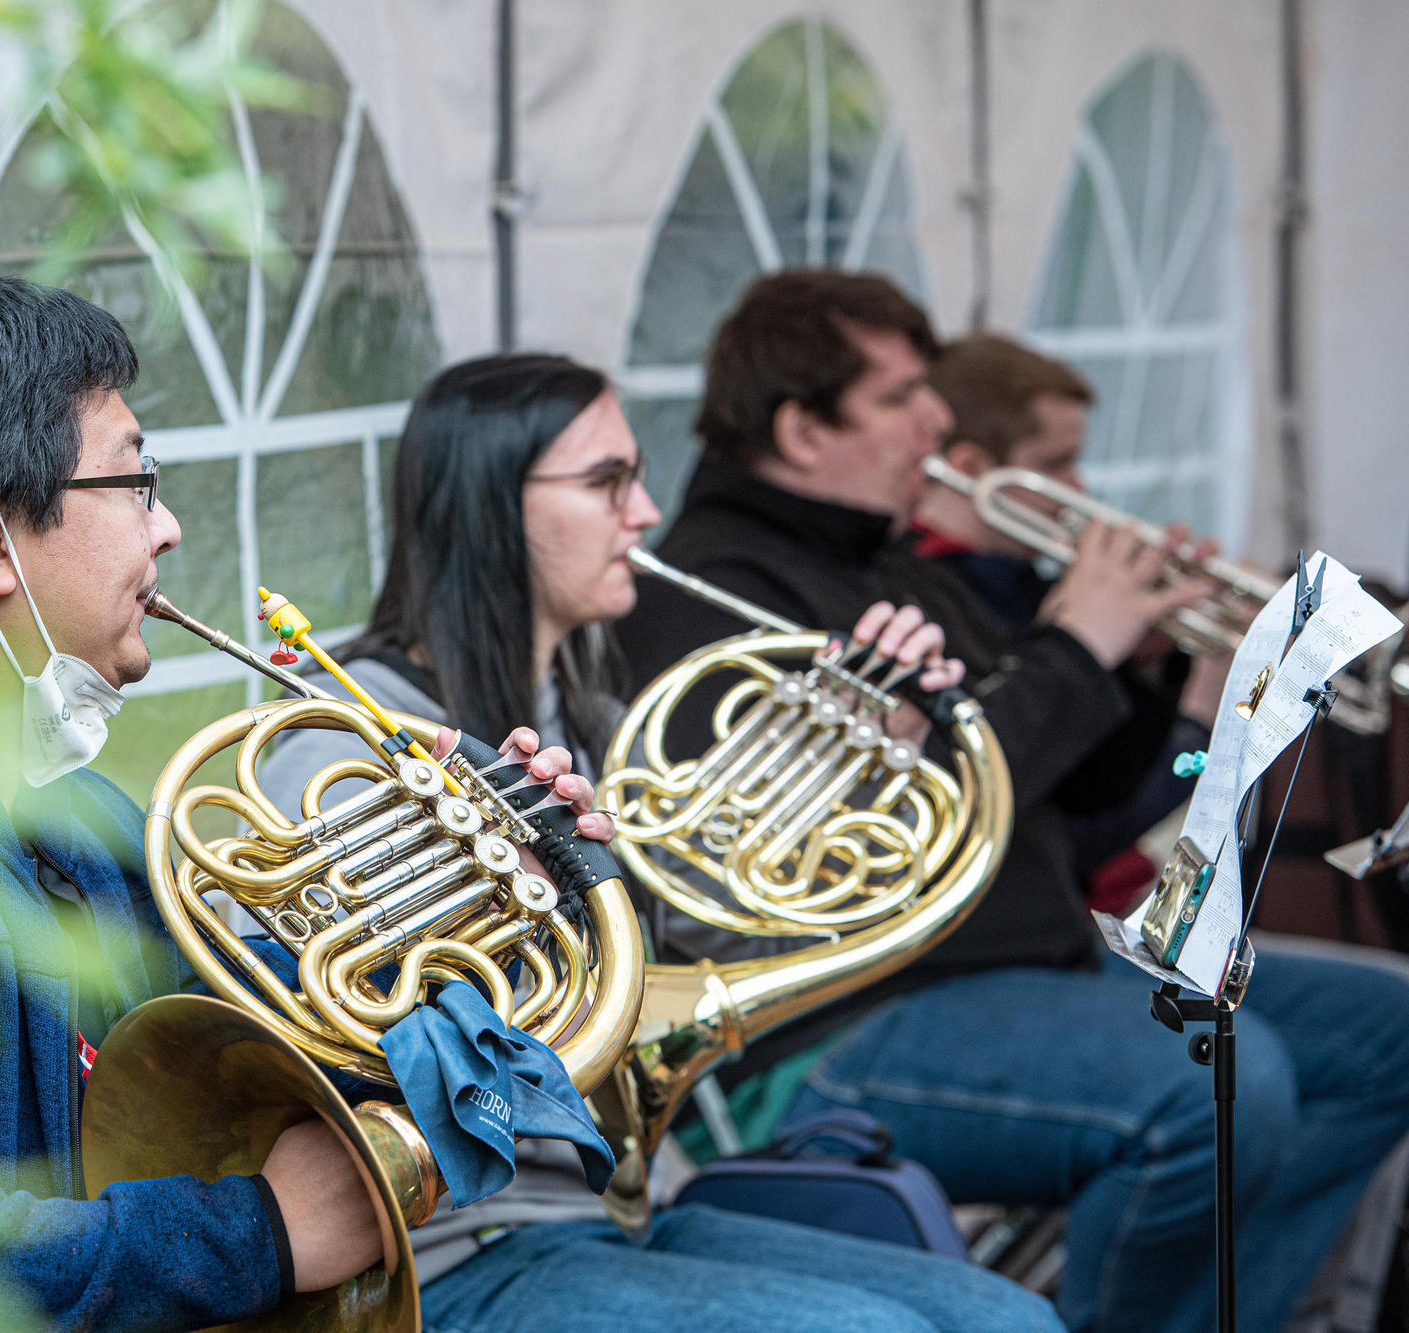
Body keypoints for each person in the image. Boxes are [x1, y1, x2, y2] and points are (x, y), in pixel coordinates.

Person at [0, 277, 609, 1331]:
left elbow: (259, 1037)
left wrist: (486, 904)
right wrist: (262, 1234)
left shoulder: (60, 807)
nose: (170, 527)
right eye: (135, 481)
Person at [616, 269, 1409, 1333]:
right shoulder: (712, 594)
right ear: (801, 429)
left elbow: (1066, 815)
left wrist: (1158, 684)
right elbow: (898, 832)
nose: (933, 419)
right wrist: (1075, 643)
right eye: (899, 396)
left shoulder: (890, 565)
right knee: (1221, 1083)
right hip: (841, 1017)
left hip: (1022, 961)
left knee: (1386, 1031)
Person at [258, 353, 1060, 1333]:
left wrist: (864, 750)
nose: (642, 513)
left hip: (612, 1198)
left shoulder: (596, 720)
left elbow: (727, 945)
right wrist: (508, 897)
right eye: (605, 483)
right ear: (489, 507)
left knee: (1007, 1320)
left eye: (634, 478)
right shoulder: (355, 734)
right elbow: (341, 1013)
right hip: (449, 1238)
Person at [918, 331, 1228, 905]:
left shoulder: (1027, 581)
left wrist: (1147, 666)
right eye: (1056, 464)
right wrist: (1208, 711)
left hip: (1119, 907)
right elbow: (1084, 834)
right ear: (969, 467)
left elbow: (1108, 780)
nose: (1079, 490)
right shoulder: (937, 604)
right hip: (1067, 921)